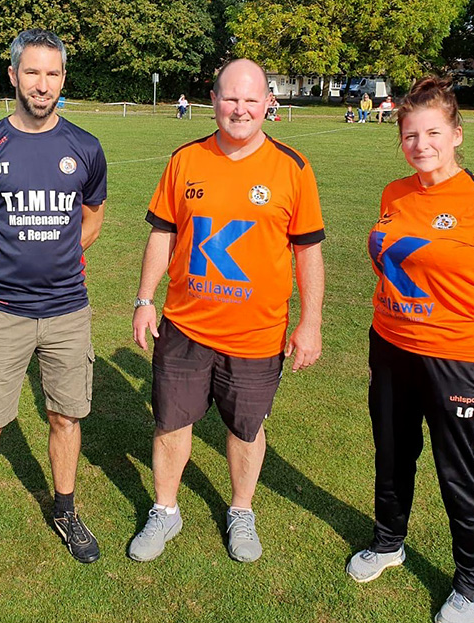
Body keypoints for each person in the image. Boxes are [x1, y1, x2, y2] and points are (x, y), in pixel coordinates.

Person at [347, 76, 474, 623]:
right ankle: (388, 542)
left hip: (456, 360)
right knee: (392, 453)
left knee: (458, 472)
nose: (421, 144)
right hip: (391, 348)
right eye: (410, 134)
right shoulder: (395, 193)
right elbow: (387, 258)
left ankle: (472, 585)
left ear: (456, 133)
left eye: (432, 132)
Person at [129, 59, 325, 563]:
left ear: (268, 104)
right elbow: (163, 232)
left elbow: (307, 251)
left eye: (250, 99)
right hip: (186, 327)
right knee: (171, 423)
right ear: (213, 101)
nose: (240, 109)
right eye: (230, 98)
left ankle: (241, 510)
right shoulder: (185, 160)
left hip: (257, 335)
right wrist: (146, 298)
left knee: (246, 429)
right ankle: (165, 510)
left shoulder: (293, 168)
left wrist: (311, 322)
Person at [0, 29, 107, 580]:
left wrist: (59, 255)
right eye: (31, 72)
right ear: (12, 76)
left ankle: (65, 511)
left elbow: (94, 216)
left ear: (63, 79)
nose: (42, 84)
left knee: (65, 414)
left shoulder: (84, 147)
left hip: (67, 311)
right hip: (3, 311)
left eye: (52, 74)